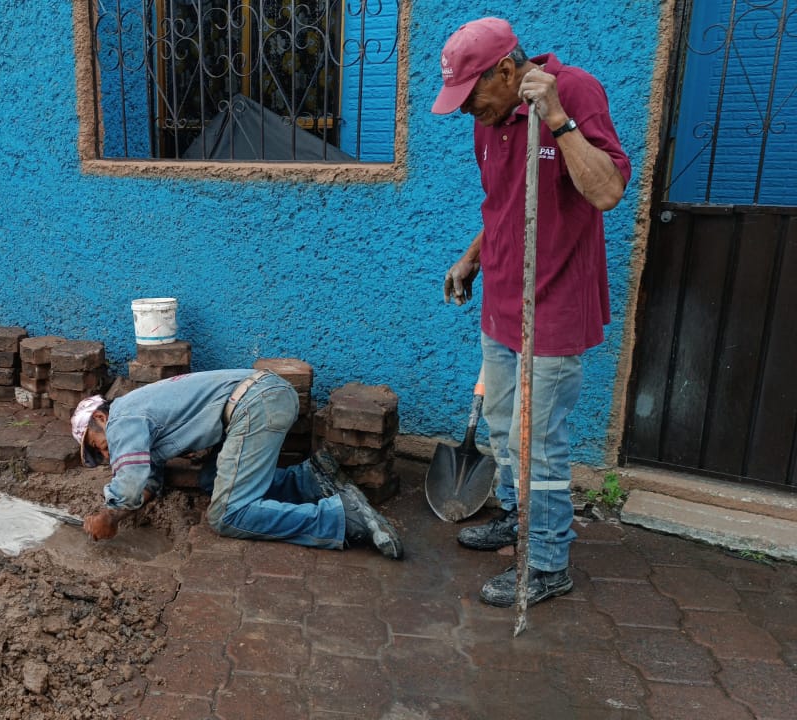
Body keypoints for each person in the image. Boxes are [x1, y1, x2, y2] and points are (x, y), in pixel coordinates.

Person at [431, 18, 631, 607]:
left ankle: (546, 561)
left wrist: (558, 122)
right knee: (502, 428)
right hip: (501, 298)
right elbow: (503, 204)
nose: (469, 111)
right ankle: (519, 520)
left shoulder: (576, 91)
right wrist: (471, 257)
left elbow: (607, 192)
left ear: (507, 71)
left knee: (538, 439)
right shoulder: (489, 121)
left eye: (473, 97)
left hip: (555, 301)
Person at [71, 369, 403, 558]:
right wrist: (128, 507)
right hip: (262, 396)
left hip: (256, 403)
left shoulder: (122, 419)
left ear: (101, 417)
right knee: (211, 481)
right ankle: (310, 481)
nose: (105, 454)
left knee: (227, 515)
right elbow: (146, 483)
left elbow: (128, 484)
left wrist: (108, 516)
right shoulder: (136, 420)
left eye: (96, 446)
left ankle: (341, 519)